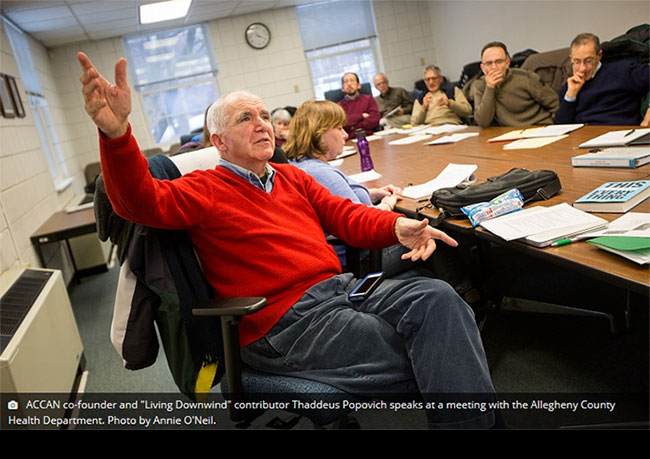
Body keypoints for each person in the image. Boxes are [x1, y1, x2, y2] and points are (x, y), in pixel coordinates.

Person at [77, 52, 497, 429]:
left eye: (262, 115)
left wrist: (395, 227)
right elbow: (137, 202)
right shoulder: (203, 188)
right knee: (433, 352)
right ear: (219, 141)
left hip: (340, 293)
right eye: (245, 118)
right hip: (281, 322)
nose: (261, 123)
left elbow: (345, 215)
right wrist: (116, 136)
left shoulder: (291, 177)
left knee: (439, 300)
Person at [283, 99, 414, 276]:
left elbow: (335, 202)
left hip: (345, 256)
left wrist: (371, 193)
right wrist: (388, 204)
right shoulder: (320, 173)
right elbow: (366, 224)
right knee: (431, 236)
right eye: (339, 128)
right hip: (362, 261)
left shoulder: (299, 165)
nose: (345, 135)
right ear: (320, 132)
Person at [554, 33, 650, 125]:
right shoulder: (569, 86)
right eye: (577, 62)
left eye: (588, 61)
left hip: (619, 134)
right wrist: (570, 96)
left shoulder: (623, 71)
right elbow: (560, 127)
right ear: (571, 59)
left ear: (599, 55)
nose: (582, 68)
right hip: (583, 137)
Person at [472, 42, 559, 128]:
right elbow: (482, 122)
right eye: (489, 63)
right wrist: (490, 88)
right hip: (509, 133)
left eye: (499, 61)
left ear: (507, 63)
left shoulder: (527, 78)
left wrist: (551, 127)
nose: (494, 67)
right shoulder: (480, 85)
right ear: (483, 68)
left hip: (539, 127)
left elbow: (556, 104)